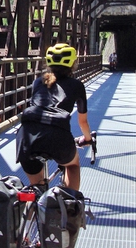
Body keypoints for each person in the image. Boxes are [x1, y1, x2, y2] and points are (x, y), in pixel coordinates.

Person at [16, 43, 93, 190]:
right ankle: (70, 204)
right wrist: (87, 139)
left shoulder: (38, 81)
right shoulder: (77, 85)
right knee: (72, 166)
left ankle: (33, 208)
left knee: (36, 189)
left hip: (26, 137)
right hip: (58, 137)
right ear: (73, 64)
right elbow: (82, 122)